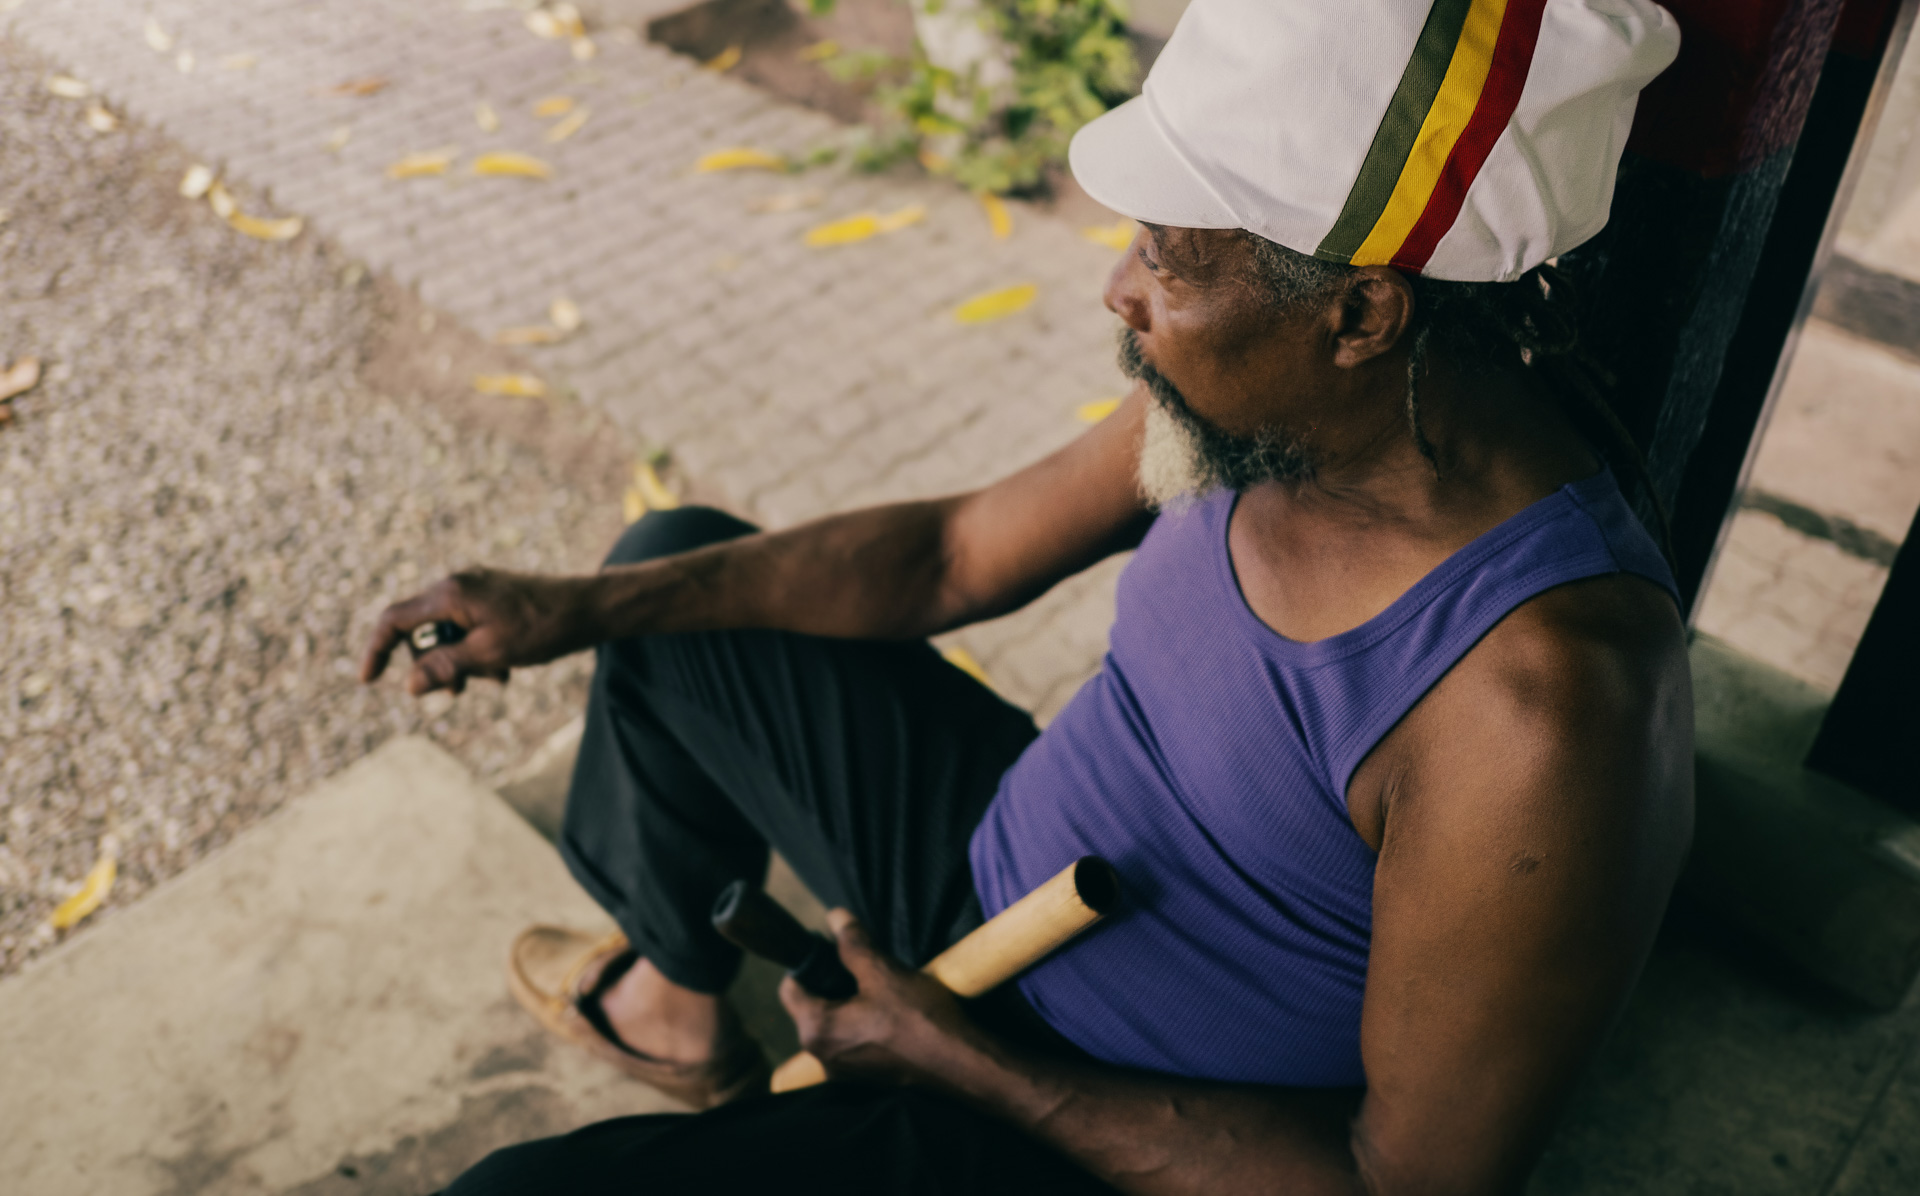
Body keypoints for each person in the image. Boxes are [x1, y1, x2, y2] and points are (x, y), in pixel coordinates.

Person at [360, 0, 1693, 1191]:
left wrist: (962, 1065)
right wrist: (574, 609)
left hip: (1118, 1115)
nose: (1120, 285)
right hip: (998, 872)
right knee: (670, 578)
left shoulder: (1541, 701)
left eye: (1168, 257)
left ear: (1359, 316)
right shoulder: (1280, 407)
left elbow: (1401, 1188)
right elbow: (952, 555)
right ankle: (672, 1011)